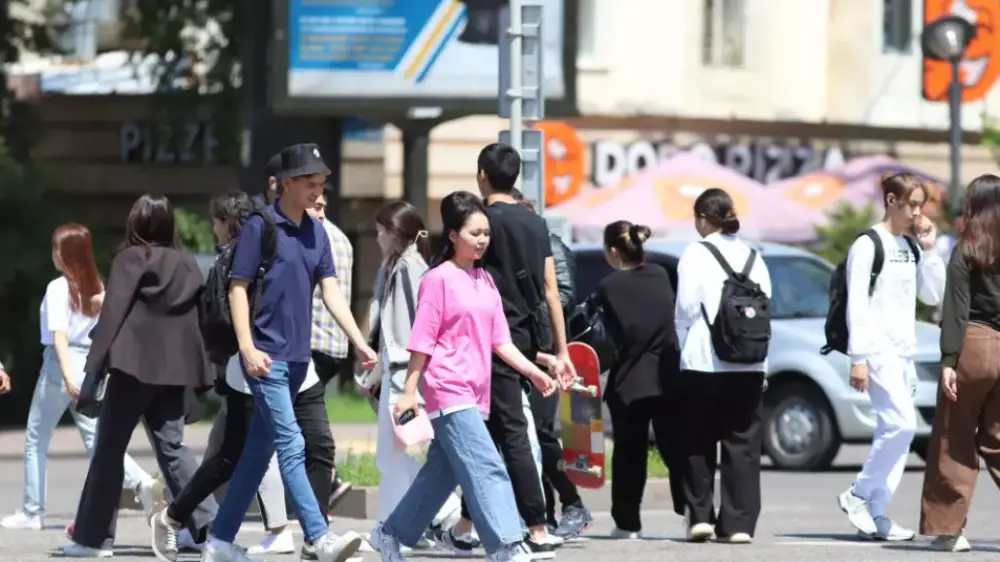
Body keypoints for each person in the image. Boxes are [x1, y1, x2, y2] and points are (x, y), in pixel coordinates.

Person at [201, 143, 377, 562]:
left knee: (259, 453)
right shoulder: (263, 227)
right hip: (266, 360)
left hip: (300, 361)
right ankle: (318, 536)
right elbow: (237, 289)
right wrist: (246, 347)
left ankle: (218, 542)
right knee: (291, 444)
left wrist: (359, 340)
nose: (320, 194)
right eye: (311, 185)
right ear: (287, 184)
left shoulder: (316, 232)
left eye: (322, 185)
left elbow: (331, 291)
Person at [367, 191, 557, 562]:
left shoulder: (485, 280)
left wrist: (534, 371)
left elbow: (500, 340)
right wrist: (409, 391)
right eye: (474, 233)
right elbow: (422, 340)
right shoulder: (437, 279)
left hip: (477, 391)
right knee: (487, 465)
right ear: (453, 235)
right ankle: (505, 545)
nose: (483, 240)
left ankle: (388, 534)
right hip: (447, 389)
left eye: (486, 233)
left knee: (441, 474)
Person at [149, 192, 325, 561]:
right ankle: (301, 533)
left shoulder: (268, 251)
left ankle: (214, 532)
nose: (214, 228)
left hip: (271, 366)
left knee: (250, 452)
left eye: (216, 221)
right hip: (253, 369)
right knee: (246, 453)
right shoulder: (237, 260)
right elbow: (221, 321)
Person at [61, 195, 218, 557]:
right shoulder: (186, 263)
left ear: (136, 224)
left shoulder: (131, 259)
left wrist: (93, 370)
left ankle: (93, 539)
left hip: (132, 368)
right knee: (174, 449)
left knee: (109, 450)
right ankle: (209, 528)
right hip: (175, 371)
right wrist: (202, 374)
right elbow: (198, 319)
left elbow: (113, 315)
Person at [446, 143, 574, 557]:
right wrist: (562, 349)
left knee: (507, 433)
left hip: (486, 341)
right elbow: (552, 291)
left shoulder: (479, 222)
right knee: (496, 433)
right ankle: (467, 525)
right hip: (525, 340)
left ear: (482, 175)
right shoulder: (536, 224)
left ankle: (536, 527)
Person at [2, 223, 158, 533]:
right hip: (90, 363)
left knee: (35, 438)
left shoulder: (58, 287)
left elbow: (59, 338)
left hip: (60, 367)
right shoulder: (98, 286)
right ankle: (142, 482)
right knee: (98, 442)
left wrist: (66, 377)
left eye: (55, 249)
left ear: (63, 254)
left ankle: (33, 511)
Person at [838, 172, 946, 541]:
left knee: (895, 433)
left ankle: (877, 512)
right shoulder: (869, 244)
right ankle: (857, 494)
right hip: (877, 350)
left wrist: (930, 248)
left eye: (921, 205)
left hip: (904, 353)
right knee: (901, 424)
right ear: (890, 201)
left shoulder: (911, 245)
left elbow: (933, 296)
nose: (917, 212)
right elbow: (857, 303)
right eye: (910, 204)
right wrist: (858, 357)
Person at [674, 188, 772, 544]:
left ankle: (700, 516)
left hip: (704, 360)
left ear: (702, 218)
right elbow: (764, 310)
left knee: (697, 439)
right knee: (743, 444)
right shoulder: (753, 255)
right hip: (749, 363)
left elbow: (685, 309)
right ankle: (739, 524)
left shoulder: (695, 253)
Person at [366, 201, 462, 538]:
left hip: (404, 375)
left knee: (393, 455)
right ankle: (400, 524)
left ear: (394, 233)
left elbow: (416, 328)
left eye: (380, 229)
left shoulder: (409, 268)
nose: (376, 235)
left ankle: (437, 510)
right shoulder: (398, 265)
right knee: (393, 453)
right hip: (398, 372)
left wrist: (394, 375)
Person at [919, 174, 1000, 552]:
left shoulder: (967, 247)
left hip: (973, 344)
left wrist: (949, 359)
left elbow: (956, 309)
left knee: (954, 439)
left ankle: (950, 530)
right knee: (998, 440)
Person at [510, 189, 593, 538]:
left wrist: (533, 311)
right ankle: (544, 514)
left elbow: (564, 295)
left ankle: (572, 503)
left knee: (540, 434)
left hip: (543, 350)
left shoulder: (551, 245)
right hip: (521, 350)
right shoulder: (516, 249)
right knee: (526, 434)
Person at [595, 220, 683, 538]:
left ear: (614, 251)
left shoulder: (609, 287)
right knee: (675, 449)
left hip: (629, 381)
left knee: (629, 454)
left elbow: (609, 339)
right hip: (667, 377)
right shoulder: (661, 275)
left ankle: (628, 523)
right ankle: (695, 514)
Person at [307, 186, 355, 509]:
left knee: (303, 426)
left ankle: (327, 483)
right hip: (336, 343)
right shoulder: (343, 239)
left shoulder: (311, 237)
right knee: (306, 422)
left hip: (310, 341)